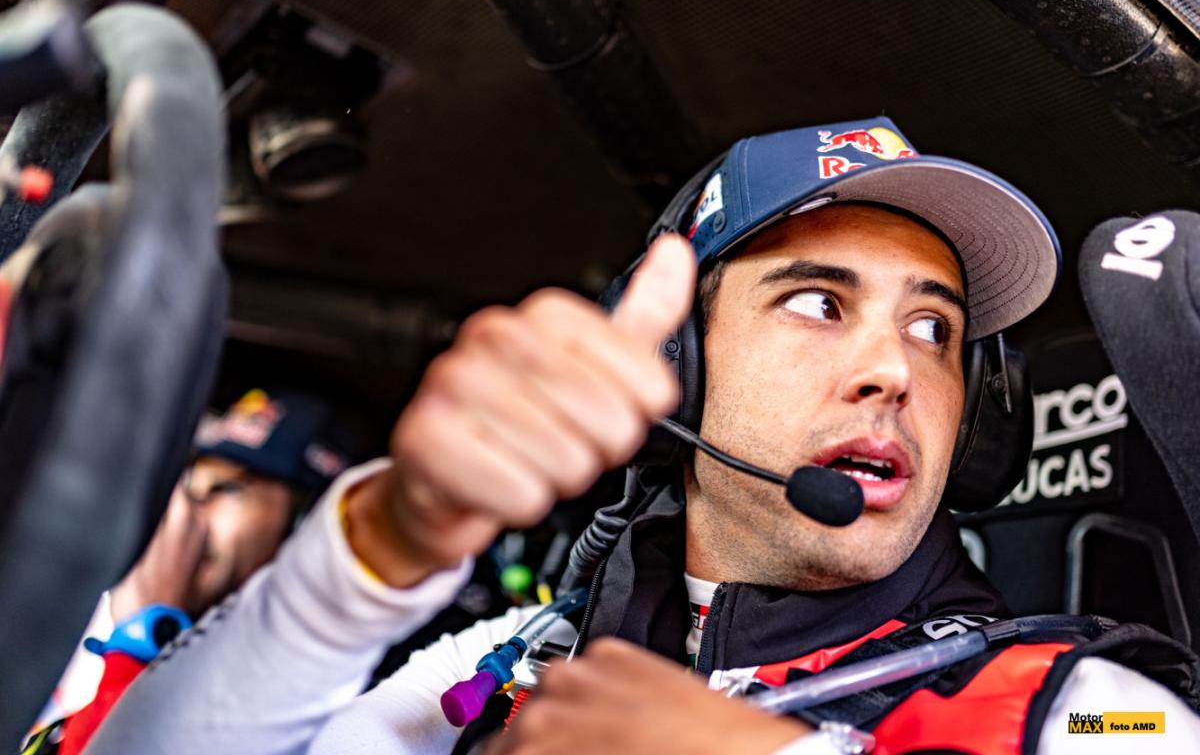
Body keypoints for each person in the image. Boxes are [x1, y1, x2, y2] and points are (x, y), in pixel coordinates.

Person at [80, 118, 1200, 755]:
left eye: (934, 329)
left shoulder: (1083, 706)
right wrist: (376, 550)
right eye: (819, 302)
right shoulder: (512, 661)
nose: (895, 370)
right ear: (677, 367)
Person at [31, 388, 355, 755]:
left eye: (226, 488)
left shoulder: (321, 710)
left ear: (306, 530)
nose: (185, 511)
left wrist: (145, 632)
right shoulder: (75, 638)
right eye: (187, 485)